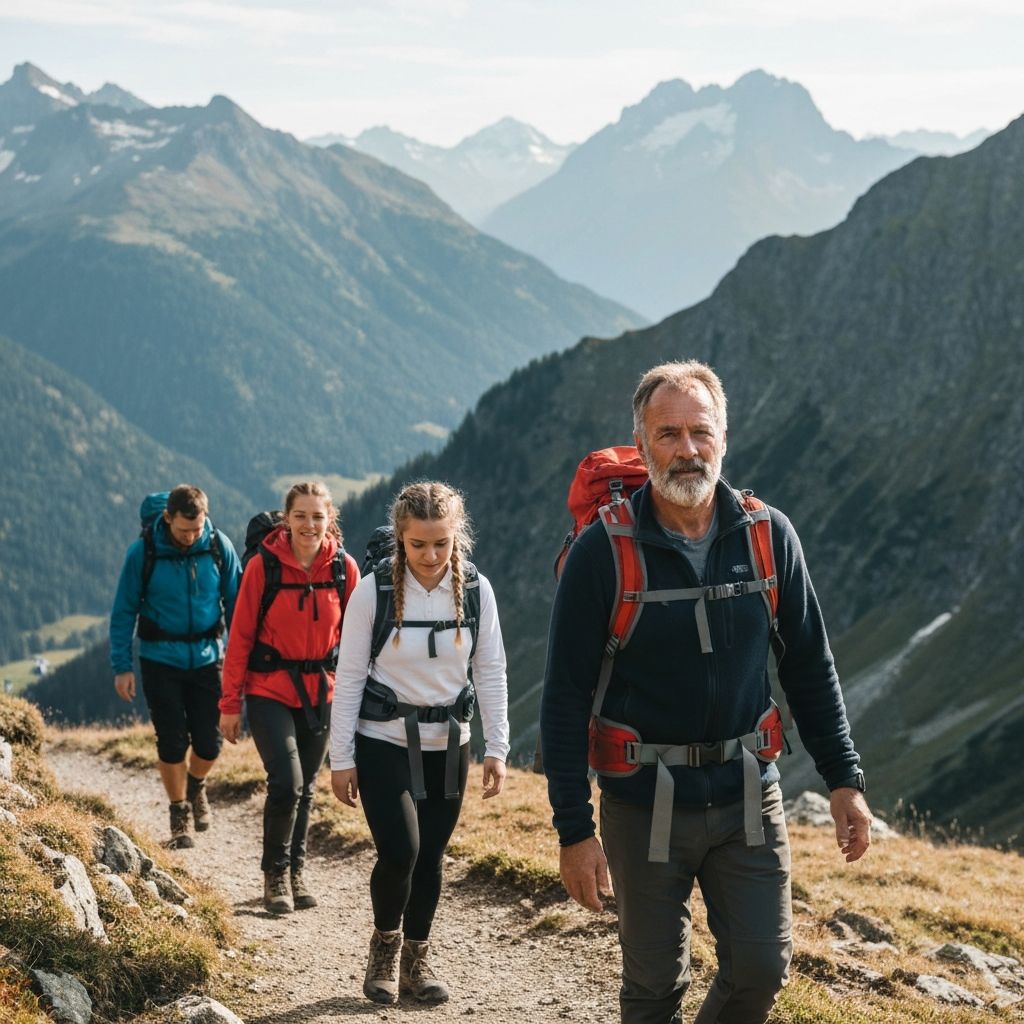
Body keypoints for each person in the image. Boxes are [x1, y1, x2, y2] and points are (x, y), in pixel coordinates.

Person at [541, 361, 872, 1024]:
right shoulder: (602, 553)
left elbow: (809, 664)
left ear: (723, 437)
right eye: (668, 435)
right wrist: (574, 829)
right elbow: (565, 697)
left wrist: (844, 778)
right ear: (642, 443)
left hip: (749, 798)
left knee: (760, 970)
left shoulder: (769, 535)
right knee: (654, 988)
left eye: (700, 432)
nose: (687, 450)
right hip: (642, 806)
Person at [330, 481, 509, 1006]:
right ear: (400, 540)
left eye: (441, 544)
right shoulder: (374, 592)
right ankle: (384, 947)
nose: (431, 556)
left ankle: (416, 960)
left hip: (449, 742)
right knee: (401, 850)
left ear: (457, 538)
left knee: (431, 855)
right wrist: (341, 758)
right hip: (383, 740)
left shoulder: (477, 591)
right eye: (418, 545)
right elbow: (349, 677)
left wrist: (496, 748)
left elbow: (491, 670)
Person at [219, 481, 359, 914]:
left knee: (308, 787)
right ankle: (274, 874)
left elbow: (358, 640)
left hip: (322, 691)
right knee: (287, 782)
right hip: (268, 690)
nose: (309, 525)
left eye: (318, 516)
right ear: (287, 518)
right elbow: (240, 636)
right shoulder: (265, 567)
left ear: (329, 519)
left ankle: (297, 872)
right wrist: (229, 705)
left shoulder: (344, 568)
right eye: (300, 516)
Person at [111, 484, 241, 849]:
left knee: (210, 743)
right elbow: (123, 611)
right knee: (171, 739)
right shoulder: (144, 552)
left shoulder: (218, 546)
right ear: (167, 518)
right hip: (159, 659)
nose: (190, 537)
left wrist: (238, 659)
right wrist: (122, 666)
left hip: (207, 657)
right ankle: (178, 811)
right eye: (184, 530)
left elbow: (237, 606)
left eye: (197, 529)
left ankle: (196, 784)